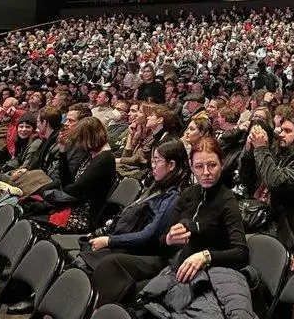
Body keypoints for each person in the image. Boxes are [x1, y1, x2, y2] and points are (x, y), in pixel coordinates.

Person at [92, 137, 247, 306]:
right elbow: (161, 241)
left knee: (139, 292)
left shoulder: (227, 201)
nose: (206, 172)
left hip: (195, 269)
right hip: (169, 260)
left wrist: (206, 256)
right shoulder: (189, 194)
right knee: (109, 264)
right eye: (199, 167)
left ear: (222, 165)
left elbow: (241, 253)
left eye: (212, 165)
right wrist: (169, 239)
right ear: (191, 166)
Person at [81, 140, 189, 275]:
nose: (153, 166)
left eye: (157, 161)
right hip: (129, 240)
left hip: (142, 251)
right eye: (152, 161)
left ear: (171, 165)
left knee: (86, 265)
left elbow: (149, 235)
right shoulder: (159, 186)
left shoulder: (173, 197)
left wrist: (110, 241)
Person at [239, 114, 294, 246]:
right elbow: (247, 180)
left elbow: (275, 182)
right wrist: (249, 152)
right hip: (269, 221)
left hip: (292, 234)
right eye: (282, 130)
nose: (281, 134)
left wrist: (261, 149)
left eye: (288, 131)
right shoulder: (281, 154)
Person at [32, 116, 117, 232]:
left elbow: (74, 190)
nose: (79, 144)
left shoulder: (104, 159)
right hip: (74, 204)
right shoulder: (92, 152)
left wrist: (47, 197)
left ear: (90, 137)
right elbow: (67, 180)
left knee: (32, 219)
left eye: (80, 139)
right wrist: (63, 151)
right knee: (30, 207)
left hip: (84, 215)